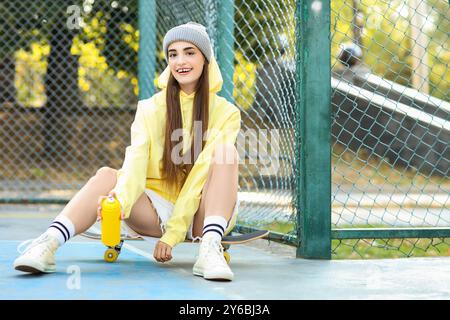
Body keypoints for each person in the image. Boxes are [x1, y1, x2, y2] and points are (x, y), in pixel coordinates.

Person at [13, 22, 241, 281]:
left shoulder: (226, 113)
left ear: (205, 59)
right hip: (156, 211)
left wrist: (174, 233)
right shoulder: (150, 108)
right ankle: (47, 243)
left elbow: (200, 175)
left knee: (226, 154)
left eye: (190, 52)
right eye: (173, 54)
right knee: (107, 175)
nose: (180, 61)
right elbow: (135, 161)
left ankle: (210, 250)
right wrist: (119, 200)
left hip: (204, 213)